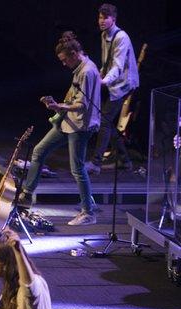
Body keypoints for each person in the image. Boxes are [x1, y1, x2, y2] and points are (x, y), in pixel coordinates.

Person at [18, 32, 101, 226]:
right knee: (39, 151)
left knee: (77, 169)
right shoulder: (80, 68)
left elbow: (83, 105)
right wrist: (59, 105)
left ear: (73, 53)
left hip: (80, 126)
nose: (64, 64)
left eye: (65, 60)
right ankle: (27, 195)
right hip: (68, 122)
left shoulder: (87, 71)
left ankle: (88, 212)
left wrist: (59, 107)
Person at [85, 3, 139, 175]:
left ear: (113, 19)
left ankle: (96, 163)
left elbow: (117, 65)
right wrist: (100, 74)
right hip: (114, 82)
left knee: (103, 122)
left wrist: (104, 81)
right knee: (107, 123)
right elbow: (106, 62)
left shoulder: (121, 37)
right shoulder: (104, 35)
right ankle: (125, 160)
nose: (101, 21)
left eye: (105, 17)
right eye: (100, 17)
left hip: (124, 84)